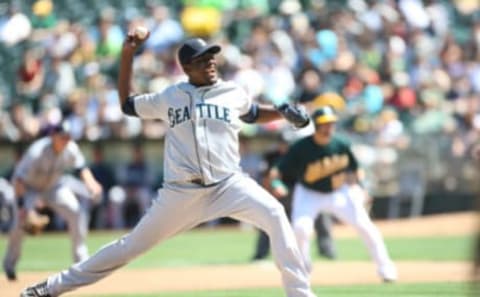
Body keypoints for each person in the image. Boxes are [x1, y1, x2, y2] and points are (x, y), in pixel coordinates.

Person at [20, 34, 317, 297]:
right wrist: (127, 55)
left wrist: (281, 112)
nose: (211, 62)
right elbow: (127, 104)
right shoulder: (170, 96)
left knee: (276, 213)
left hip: (229, 185)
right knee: (128, 247)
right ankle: (51, 288)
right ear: (187, 68)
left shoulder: (232, 92)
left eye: (212, 56)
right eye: (202, 59)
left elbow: (251, 113)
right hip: (180, 194)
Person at [267, 105, 398, 282]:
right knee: (301, 229)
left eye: (331, 124)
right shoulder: (302, 147)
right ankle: (304, 269)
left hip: (339, 192)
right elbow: (277, 170)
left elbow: (355, 169)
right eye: (324, 124)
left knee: (366, 227)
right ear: (316, 125)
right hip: (309, 193)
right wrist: (276, 184)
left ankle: (386, 268)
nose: (329, 127)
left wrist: (361, 187)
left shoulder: (341, 144)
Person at [3, 122, 102, 282]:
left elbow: (81, 168)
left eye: (68, 137)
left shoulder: (70, 148)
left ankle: (81, 260)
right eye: (63, 136)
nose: (66, 140)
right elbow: (19, 180)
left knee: (76, 212)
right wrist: (23, 207)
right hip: (28, 189)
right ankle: (9, 266)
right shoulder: (37, 152)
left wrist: (91, 183)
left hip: (54, 187)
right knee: (19, 225)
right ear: (53, 136)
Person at [252, 137, 337, 261]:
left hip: (300, 193)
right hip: (278, 196)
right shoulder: (272, 156)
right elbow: (269, 177)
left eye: (287, 144)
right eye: (283, 143)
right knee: (269, 220)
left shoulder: (298, 156)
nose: (285, 146)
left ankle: (326, 251)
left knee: (321, 217)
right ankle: (260, 254)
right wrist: (274, 187)